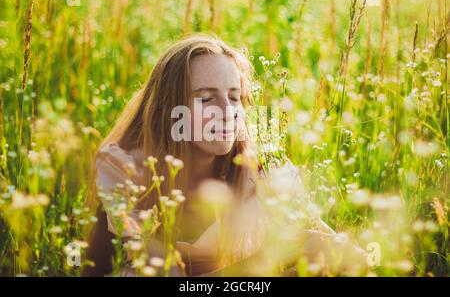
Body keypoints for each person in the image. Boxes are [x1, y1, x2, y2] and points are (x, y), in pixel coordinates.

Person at [84, 33, 367, 277]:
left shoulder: (264, 169)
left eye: (234, 97)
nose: (227, 112)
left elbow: (345, 252)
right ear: (168, 109)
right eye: (206, 98)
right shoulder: (122, 166)